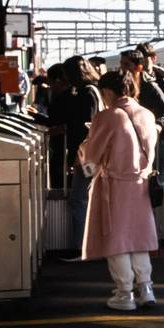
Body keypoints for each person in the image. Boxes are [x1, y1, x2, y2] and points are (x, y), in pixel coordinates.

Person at [78, 71, 159, 311]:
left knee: (117, 239)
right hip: (141, 185)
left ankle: (125, 293)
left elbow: (92, 157)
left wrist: (85, 145)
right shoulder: (147, 114)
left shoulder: (107, 117)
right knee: (138, 237)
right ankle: (146, 288)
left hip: (114, 186)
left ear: (107, 92)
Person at [62, 56, 104, 259]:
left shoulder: (87, 93)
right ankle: (88, 246)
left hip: (86, 156)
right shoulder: (93, 91)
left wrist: (77, 156)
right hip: (88, 154)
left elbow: (85, 128)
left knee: (79, 199)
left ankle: (81, 248)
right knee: (84, 198)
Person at [120, 49, 164, 169]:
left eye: (127, 64)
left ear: (139, 67)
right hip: (127, 138)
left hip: (146, 138)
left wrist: (159, 125)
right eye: (121, 63)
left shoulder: (150, 87)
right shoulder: (121, 85)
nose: (122, 68)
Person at [136, 41, 164, 172]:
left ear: (153, 58)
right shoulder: (133, 80)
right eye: (139, 59)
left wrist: (162, 128)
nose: (141, 62)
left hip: (160, 135)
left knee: (158, 169)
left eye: (144, 58)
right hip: (139, 135)